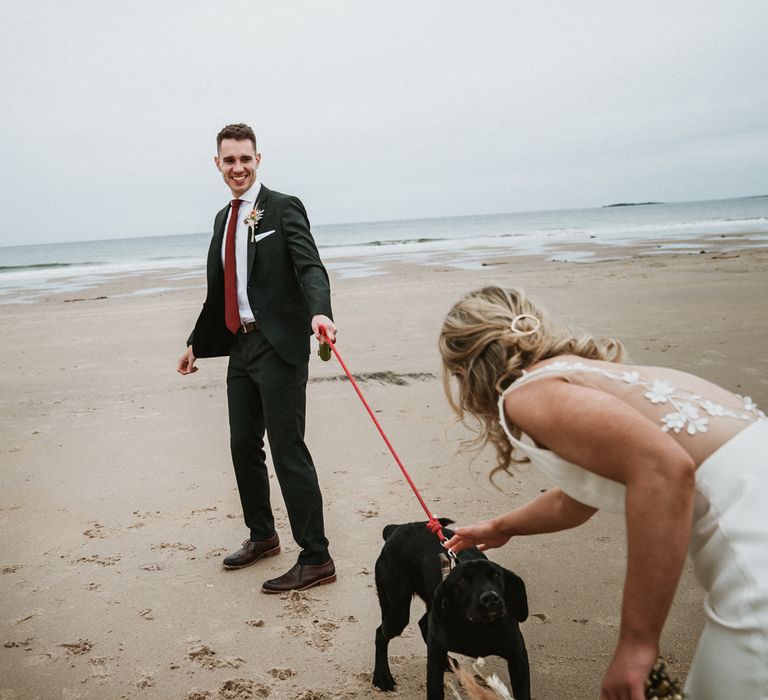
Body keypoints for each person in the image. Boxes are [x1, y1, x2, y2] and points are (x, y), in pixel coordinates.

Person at [438, 286, 768, 699]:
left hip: (755, 568)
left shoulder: (527, 393)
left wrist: (637, 644)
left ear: (465, 369)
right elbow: (579, 497)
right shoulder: (588, 373)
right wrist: (501, 526)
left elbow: (664, 471)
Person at [177, 123, 337, 593]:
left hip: (281, 344)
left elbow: (310, 265)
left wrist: (320, 312)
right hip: (240, 346)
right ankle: (263, 536)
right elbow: (219, 291)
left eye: (245, 158)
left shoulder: (283, 207)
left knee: (289, 451)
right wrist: (195, 342)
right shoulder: (221, 219)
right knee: (242, 446)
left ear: (258, 159)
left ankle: (317, 557)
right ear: (218, 164)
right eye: (229, 160)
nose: (238, 167)